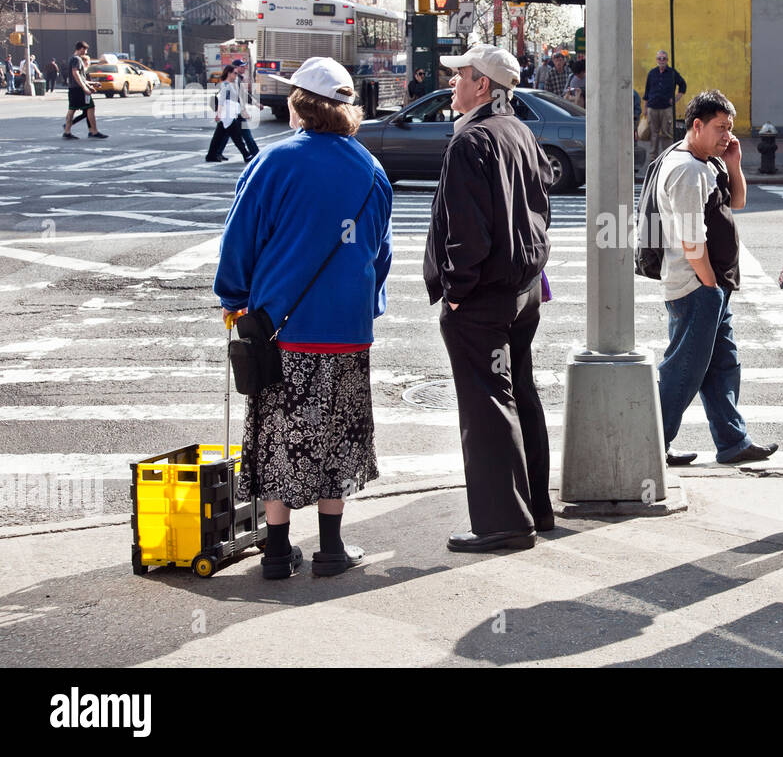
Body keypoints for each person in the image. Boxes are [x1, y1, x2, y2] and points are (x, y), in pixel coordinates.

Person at [214, 56, 394, 579]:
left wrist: (233, 297)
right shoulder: (370, 169)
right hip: (346, 329)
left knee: (280, 432)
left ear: (298, 104)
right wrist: (367, 307)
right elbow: (379, 255)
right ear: (345, 110)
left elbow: (239, 240)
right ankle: (332, 550)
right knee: (337, 433)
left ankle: (275, 552)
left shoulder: (272, 162)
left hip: (281, 327)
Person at [423, 43, 553, 553]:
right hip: (521, 293)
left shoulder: (471, 142)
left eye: (461, 76)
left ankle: (503, 521)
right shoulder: (519, 132)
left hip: (483, 298)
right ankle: (534, 508)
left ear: (484, 87)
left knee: (488, 406)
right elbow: (540, 212)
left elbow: (466, 235)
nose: (452, 82)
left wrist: (456, 293)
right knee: (519, 392)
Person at [656, 89, 776, 467]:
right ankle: (651, 443)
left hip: (713, 286)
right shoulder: (687, 170)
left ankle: (733, 441)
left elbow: (737, 203)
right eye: (720, 128)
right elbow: (693, 243)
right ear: (697, 125)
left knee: (723, 364)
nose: (727, 135)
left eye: (730, 128)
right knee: (683, 370)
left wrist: (734, 162)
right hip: (696, 287)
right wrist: (709, 287)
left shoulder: (707, 161)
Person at [643, 50, 686, 158]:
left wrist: (676, 99)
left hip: (666, 109)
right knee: (654, 134)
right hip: (652, 108)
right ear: (656, 60)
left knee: (667, 133)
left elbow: (683, 85)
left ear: (667, 60)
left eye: (664, 58)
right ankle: (653, 158)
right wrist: (645, 108)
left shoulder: (672, 73)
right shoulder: (652, 73)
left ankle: (668, 157)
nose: (661, 60)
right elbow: (647, 91)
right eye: (659, 58)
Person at [205, 64, 253, 162]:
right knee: (237, 137)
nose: (236, 75)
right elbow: (222, 100)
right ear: (229, 73)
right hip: (227, 116)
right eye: (234, 73)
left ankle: (211, 155)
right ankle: (246, 155)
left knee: (218, 137)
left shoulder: (230, 84)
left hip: (229, 115)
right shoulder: (226, 85)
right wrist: (218, 114)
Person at [63, 42, 106, 139]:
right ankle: (94, 132)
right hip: (79, 89)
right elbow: (76, 74)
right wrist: (85, 88)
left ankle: (67, 131)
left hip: (73, 88)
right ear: (81, 48)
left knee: (72, 110)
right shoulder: (77, 59)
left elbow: (80, 77)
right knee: (90, 108)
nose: (86, 52)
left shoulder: (72, 58)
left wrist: (91, 84)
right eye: (85, 49)